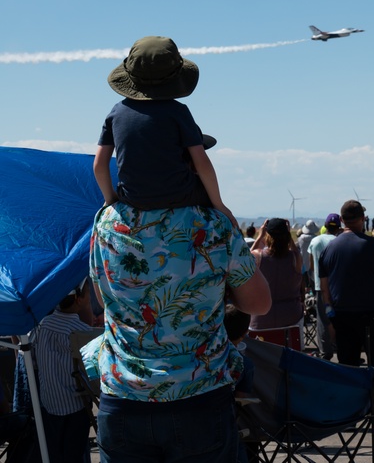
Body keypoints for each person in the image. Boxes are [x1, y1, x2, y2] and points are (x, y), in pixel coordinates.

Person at [89, 193, 271, 461]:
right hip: (199, 396)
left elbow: (103, 298)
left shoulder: (107, 221)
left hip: (123, 395)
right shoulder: (213, 223)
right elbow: (260, 303)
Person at [93, 36, 237, 229]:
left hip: (133, 199)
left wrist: (110, 199)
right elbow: (201, 162)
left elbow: (99, 165)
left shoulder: (116, 112)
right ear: (175, 76)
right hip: (180, 196)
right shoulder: (178, 112)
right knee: (205, 193)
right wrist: (219, 205)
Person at [317, 200, 374, 430]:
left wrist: (330, 318)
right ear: (362, 218)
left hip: (343, 316)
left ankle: (349, 417)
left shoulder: (330, 248)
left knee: (347, 367)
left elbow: (324, 289)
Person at [34, 279, 98, 463]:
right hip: (74, 407)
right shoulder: (80, 331)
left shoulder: (44, 325)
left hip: (48, 404)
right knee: (73, 455)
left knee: (54, 454)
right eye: (87, 292)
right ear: (79, 299)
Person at [248, 218, 304, 348]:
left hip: (261, 319)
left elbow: (246, 258)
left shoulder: (258, 256)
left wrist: (260, 235)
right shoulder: (295, 258)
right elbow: (295, 252)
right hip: (291, 318)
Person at [308, 213, 342, 359]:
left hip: (319, 286)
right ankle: (342, 348)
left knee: (322, 320)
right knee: (340, 319)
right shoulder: (339, 241)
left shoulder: (315, 241)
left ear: (325, 226)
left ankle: (325, 350)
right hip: (338, 286)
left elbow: (310, 264)